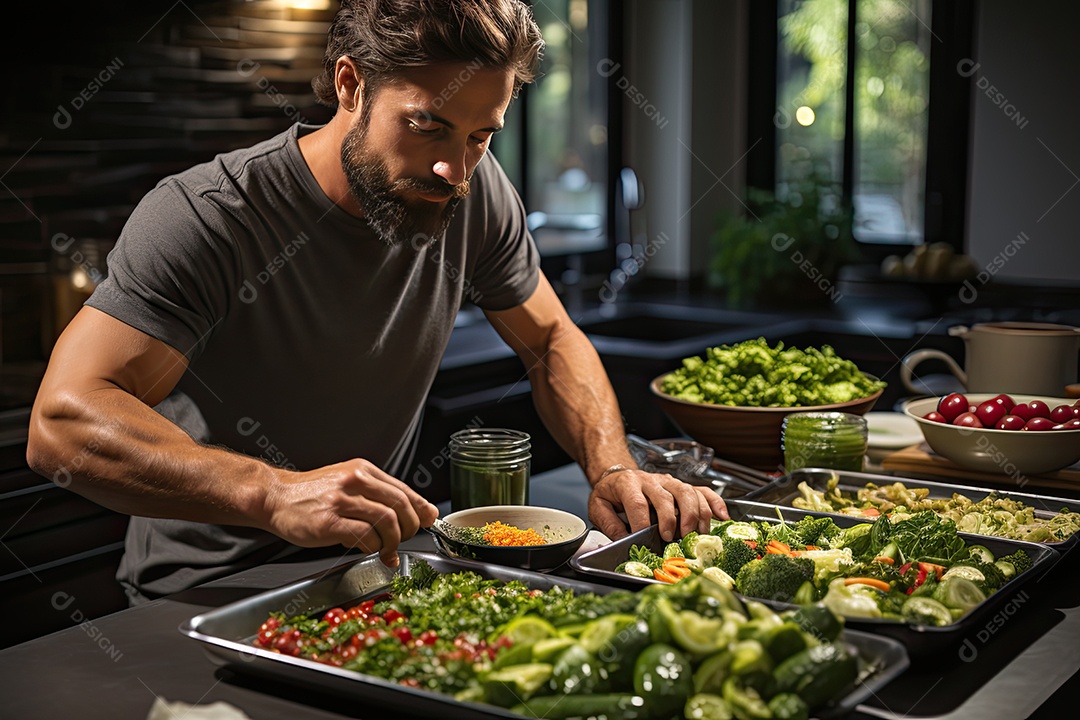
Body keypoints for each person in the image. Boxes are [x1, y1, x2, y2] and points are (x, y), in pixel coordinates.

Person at [27, 0, 727, 605]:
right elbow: (61, 422)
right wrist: (269, 492)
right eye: (427, 126)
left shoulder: (475, 193)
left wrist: (610, 467)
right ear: (349, 84)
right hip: (201, 591)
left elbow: (549, 340)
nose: (455, 170)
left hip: (378, 575)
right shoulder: (210, 215)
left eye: (480, 136)